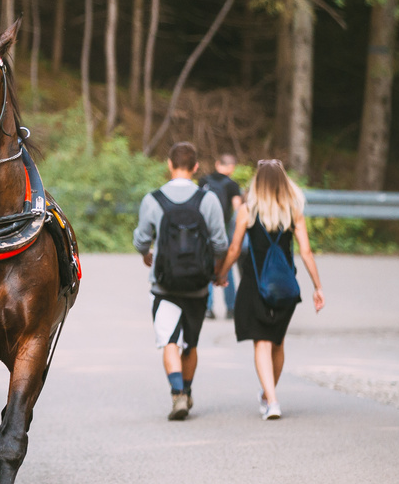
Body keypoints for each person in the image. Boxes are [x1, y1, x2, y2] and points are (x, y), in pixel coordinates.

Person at [215, 160, 325, 420]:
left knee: (262, 342)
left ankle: (272, 401)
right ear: (283, 182)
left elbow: (234, 249)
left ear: (257, 182)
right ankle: (268, 395)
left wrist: (220, 274)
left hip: (256, 283)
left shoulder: (248, 210)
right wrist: (317, 287)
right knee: (277, 342)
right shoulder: (293, 211)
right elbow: (306, 252)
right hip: (286, 284)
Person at [132, 141, 228, 421]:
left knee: (169, 341)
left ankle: (178, 396)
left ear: (170, 165)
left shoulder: (153, 199)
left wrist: (145, 254)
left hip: (164, 284)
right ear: (196, 167)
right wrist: (215, 271)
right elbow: (220, 243)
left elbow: (141, 239)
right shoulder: (207, 199)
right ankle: (187, 388)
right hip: (198, 285)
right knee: (191, 344)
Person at [200, 154, 244, 319]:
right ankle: (231, 308)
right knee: (227, 266)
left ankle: (207, 308)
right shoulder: (232, 185)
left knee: (207, 266)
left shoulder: (204, 181)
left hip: (205, 230)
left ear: (218, 164)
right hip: (223, 231)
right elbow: (238, 210)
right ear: (231, 167)